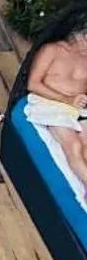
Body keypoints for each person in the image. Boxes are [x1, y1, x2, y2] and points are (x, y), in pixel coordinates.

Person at [27, 33, 87, 188]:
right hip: (50, 104)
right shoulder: (53, 50)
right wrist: (66, 100)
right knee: (74, 145)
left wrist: (78, 101)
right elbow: (33, 84)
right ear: (81, 36)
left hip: (78, 108)